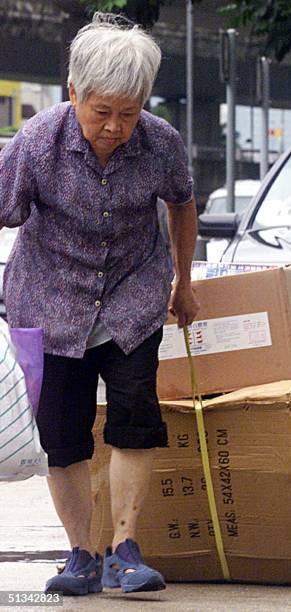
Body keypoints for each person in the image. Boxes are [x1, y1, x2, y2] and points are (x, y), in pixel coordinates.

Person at [0, 13, 199, 595]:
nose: (114, 126)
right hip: (49, 301)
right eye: (101, 111)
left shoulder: (160, 142)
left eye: (128, 113)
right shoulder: (37, 143)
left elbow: (181, 205)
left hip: (131, 298)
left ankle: (124, 549)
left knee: (135, 416)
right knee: (63, 435)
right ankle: (80, 556)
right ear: (73, 95)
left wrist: (183, 282)